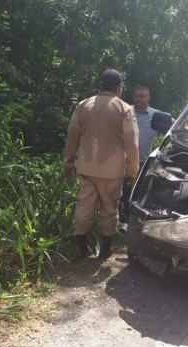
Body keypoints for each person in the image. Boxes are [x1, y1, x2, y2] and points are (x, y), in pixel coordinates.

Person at [63, 69, 139, 258]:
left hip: (86, 167)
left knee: (83, 206)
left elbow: (72, 136)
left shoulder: (83, 105)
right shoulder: (124, 108)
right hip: (112, 171)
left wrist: (68, 162)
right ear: (119, 88)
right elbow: (132, 143)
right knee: (110, 208)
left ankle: (82, 245)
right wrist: (133, 171)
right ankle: (105, 248)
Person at [119, 85, 161, 223]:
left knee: (138, 193)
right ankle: (120, 220)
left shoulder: (156, 116)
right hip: (121, 161)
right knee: (120, 193)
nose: (139, 99)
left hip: (143, 163)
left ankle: (135, 221)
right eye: (136, 96)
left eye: (142, 96)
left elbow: (174, 128)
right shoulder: (125, 111)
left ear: (149, 98)